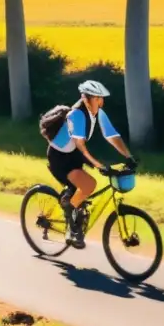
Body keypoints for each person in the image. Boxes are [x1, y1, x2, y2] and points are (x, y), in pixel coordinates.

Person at [45, 80, 133, 248]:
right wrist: (99, 165)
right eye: (97, 99)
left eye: (101, 99)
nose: (101, 102)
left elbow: (112, 135)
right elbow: (81, 147)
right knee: (89, 185)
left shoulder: (97, 113)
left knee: (84, 191)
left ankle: (73, 204)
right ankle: (71, 228)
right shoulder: (76, 115)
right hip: (60, 158)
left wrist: (129, 157)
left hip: (74, 156)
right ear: (86, 99)